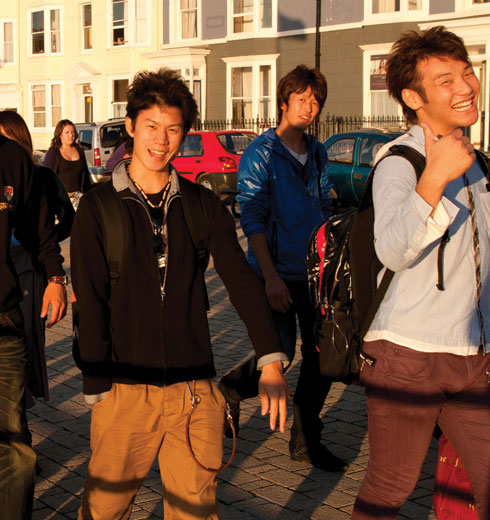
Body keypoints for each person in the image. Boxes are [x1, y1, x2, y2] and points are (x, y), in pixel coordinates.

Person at [70, 68, 289, 519]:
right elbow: (89, 299)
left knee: (195, 512)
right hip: (124, 391)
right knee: (105, 510)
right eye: (151, 126)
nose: (161, 140)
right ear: (130, 127)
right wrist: (97, 386)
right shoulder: (99, 207)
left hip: (193, 392)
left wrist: (270, 357)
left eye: (173, 129)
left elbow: (241, 281)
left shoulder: (202, 204)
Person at [352, 26, 490, 519]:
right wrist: (434, 176)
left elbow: (472, 250)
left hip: (475, 358)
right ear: (413, 97)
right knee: (390, 488)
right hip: (408, 357)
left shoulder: (474, 161)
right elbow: (392, 248)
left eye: (467, 72)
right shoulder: (400, 162)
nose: (467, 87)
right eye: (445, 79)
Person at [226, 64, 343, 471]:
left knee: (322, 359)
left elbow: (325, 207)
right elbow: (252, 215)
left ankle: (305, 439)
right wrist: (271, 276)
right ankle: (230, 390)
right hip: (273, 273)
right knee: (279, 355)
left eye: (316, 101)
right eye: (302, 99)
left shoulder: (318, 151)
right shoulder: (262, 153)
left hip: (313, 273)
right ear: (284, 102)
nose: (309, 107)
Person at [0, 125, 67, 518]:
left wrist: (56, 279)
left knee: (14, 447)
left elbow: (41, 229)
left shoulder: (11, 159)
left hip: (5, 319)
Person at [43, 119, 92, 210]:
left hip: (79, 198)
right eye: (67, 132)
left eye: (73, 132)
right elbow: (46, 178)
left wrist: (88, 195)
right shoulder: (54, 152)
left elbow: (85, 177)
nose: (71, 135)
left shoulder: (80, 150)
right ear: (60, 134)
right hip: (61, 200)